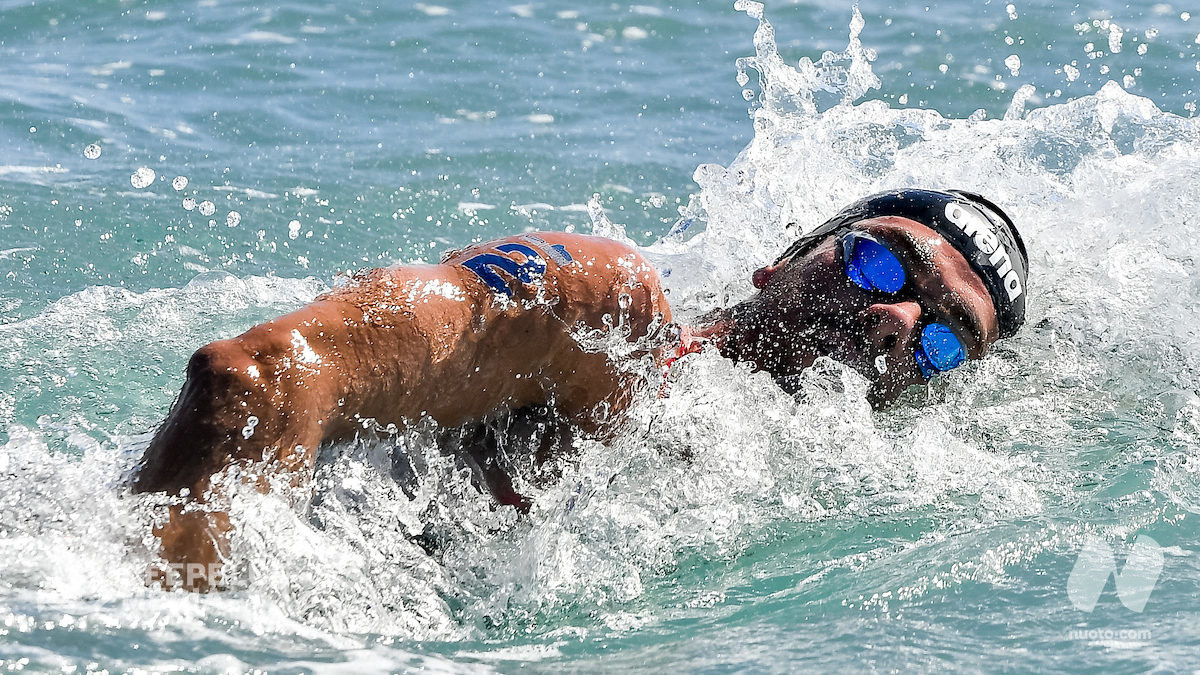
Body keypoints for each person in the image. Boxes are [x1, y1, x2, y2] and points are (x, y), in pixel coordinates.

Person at [132, 188, 1028, 590]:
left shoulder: (804, 529)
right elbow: (254, 380)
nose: (898, 321)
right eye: (879, 261)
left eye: (946, 340)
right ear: (786, 256)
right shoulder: (604, 315)